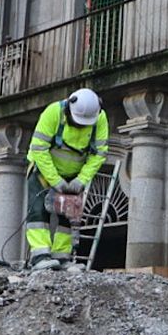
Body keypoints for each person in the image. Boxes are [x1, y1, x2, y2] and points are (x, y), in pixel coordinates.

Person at [24, 87, 108, 269]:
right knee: (39, 212)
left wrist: (81, 180)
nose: (81, 126)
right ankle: (40, 255)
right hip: (44, 170)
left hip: (74, 175)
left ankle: (62, 256)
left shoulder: (99, 118)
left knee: (69, 215)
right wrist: (56, 181)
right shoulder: (53, 113)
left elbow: (99, 154)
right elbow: (39, 148)